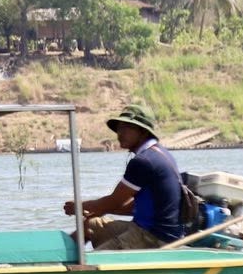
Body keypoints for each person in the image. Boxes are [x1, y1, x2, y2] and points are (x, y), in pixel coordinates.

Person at [63, 102, 182, 249]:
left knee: (96, 262)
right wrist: (93, 209)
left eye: (127, 128)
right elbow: (131, 206)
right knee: (90, 224)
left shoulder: (144, 161)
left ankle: (75, 269)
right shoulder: (160, 153)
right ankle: (60, 255)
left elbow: (115, 202)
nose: (120, 134)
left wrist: (80, 206)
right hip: (142, 229)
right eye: (119, 128)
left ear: (143, 132)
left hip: (153, 237)